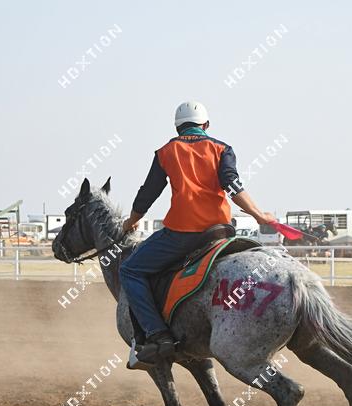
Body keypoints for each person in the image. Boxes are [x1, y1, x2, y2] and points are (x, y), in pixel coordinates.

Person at [118, 101, 277, 364]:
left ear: (177, 127)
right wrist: (259, 215)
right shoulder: (222, 149)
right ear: (206, 125)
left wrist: (131, 222)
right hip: (220, 232)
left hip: (182, 233)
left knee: (130, 270)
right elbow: (233, 186)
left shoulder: (165, 152)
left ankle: (157, 334)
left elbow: (148, 193)